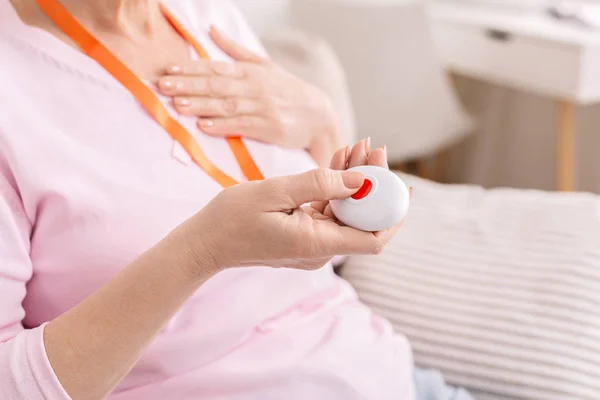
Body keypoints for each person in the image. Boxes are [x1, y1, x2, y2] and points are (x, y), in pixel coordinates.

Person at [0, 1, 468, 399]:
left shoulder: (208, 16)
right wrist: (202, 252)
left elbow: (317, 268)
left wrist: (323, 126)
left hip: (386, 376)